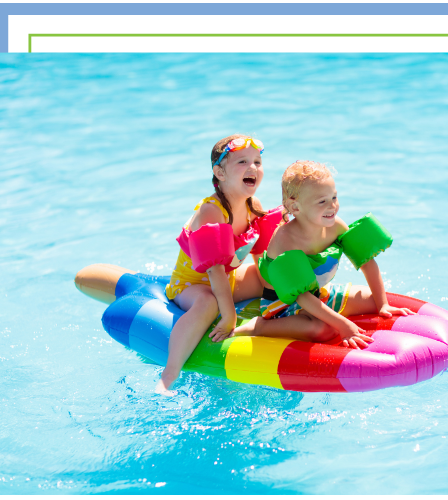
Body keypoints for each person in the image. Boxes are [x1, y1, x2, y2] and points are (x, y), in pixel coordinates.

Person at [233, 160, 415, 349]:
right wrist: (343, 325)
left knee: (372, 299)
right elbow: (301, 296)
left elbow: (367, 262)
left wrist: (382, 304)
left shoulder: (336, 226)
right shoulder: (286, 240)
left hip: (319, 294)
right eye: (322, 201)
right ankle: (260, 327)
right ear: (295, 207)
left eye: (334, 198)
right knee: (323, 330)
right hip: (284, 305)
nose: (332, 206)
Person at [154, 135, 284, 395]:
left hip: (228, 281)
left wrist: (275, 298)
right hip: (191, 285)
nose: (253, 168)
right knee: (208, 303)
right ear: (219, 172)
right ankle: (168, 375)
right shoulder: (212, 212)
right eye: (243, 161)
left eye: (258, 162)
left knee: (267, 275)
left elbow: (262, 258)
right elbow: (214, 271)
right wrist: (229, 316)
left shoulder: (252, 207)